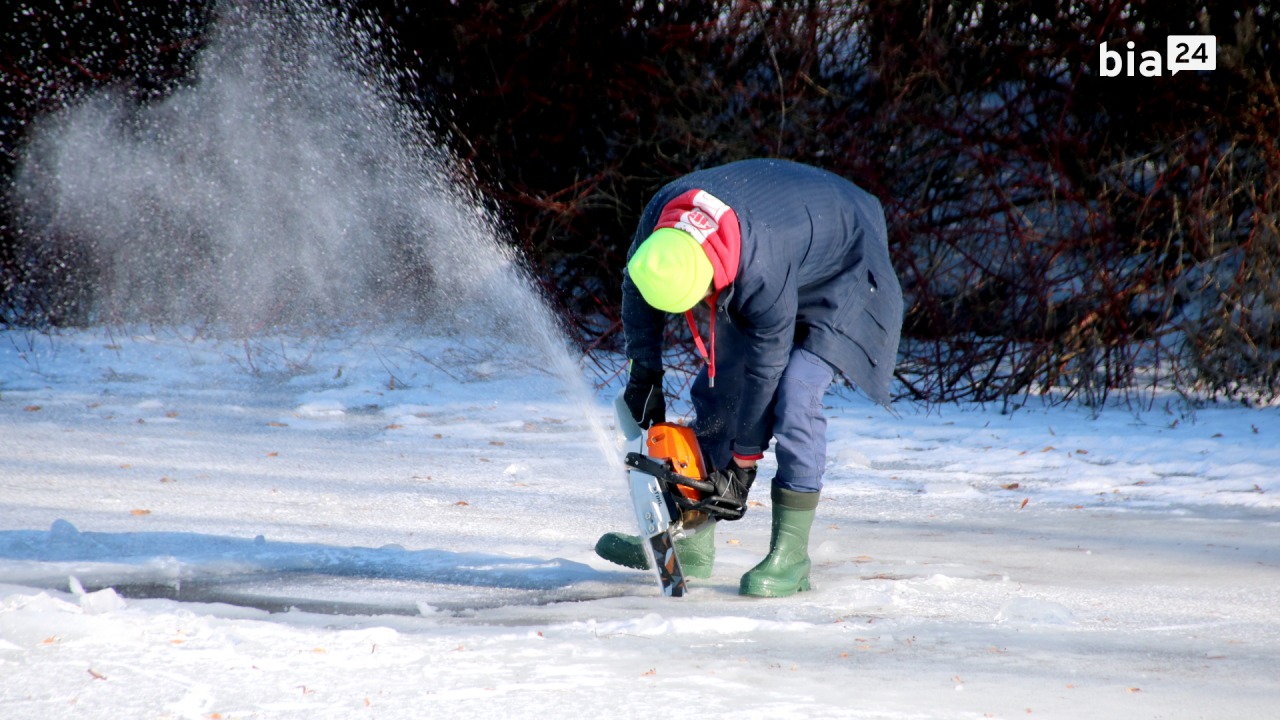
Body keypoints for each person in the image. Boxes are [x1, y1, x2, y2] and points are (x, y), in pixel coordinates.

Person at [595, 158, 903, 597]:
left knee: (795, 397)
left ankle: (791, 557)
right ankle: (694, 535)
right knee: (722, 386)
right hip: (788, 240)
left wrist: (744, 462)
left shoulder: (761, 267)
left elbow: (766, 371)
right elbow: (637, 287)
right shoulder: (662, 219)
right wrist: (644, 375)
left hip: (846, 269)